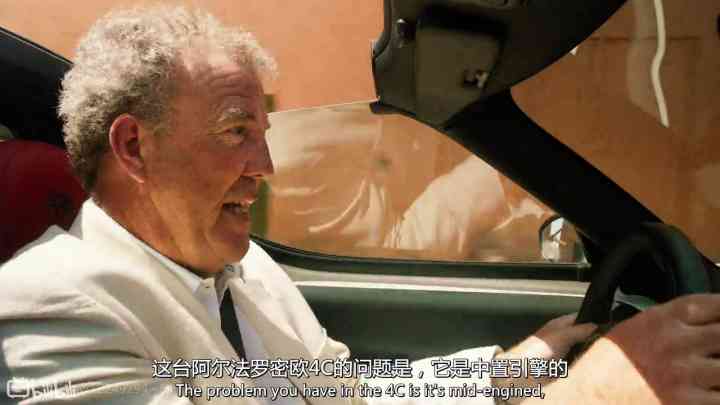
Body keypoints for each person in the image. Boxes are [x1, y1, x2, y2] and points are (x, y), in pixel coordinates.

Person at [1, 5, 719, 405]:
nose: (265, 166)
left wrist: (510, 369)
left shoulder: (245, 272)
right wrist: (583, 398)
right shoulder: (51, 308)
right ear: (134, 148)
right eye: (236, 133)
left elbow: (342, 391)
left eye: (263, 134)